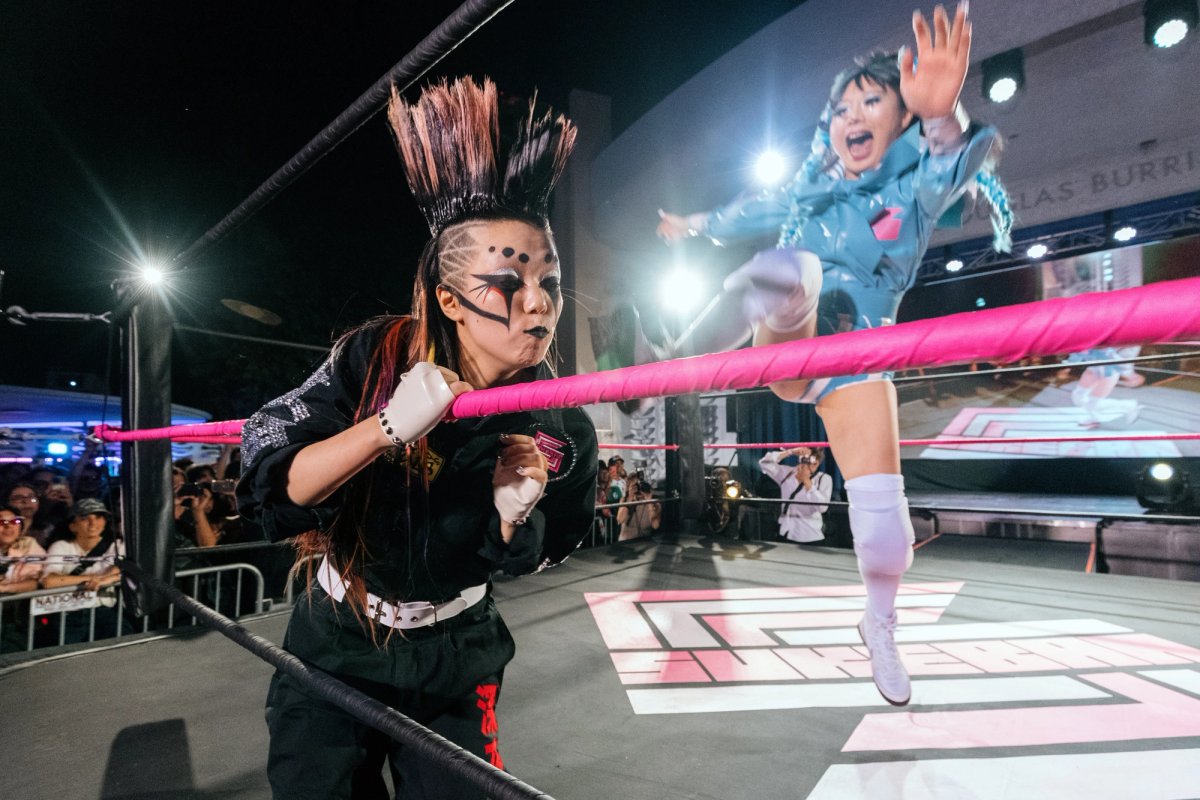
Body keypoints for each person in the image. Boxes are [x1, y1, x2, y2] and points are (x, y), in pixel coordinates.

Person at [237, 77, 596, 799]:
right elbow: (272, 476)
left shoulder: (561, 424)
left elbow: (549, 547)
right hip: (338, 638)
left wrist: (510, 517)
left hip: (457, 654)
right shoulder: (375, 356)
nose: (538, 304)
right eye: (508, 282)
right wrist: (385, 428)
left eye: (550, 284)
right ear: (449, 298)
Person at [655, 4, 1010, 706]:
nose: (853, 112)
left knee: (888, 537)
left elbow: (951, 165)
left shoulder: (913, 186)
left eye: (872, 100)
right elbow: (752, 209)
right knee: (794, 272)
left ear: (900, 119)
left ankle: (879, 622)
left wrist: (943, 117)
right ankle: (680, 354)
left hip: (857, 364)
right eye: (844, 104)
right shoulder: (810, 189)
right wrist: (693, 223)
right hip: (795, 342)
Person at [39, 498, 126, 644]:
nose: (93, 523)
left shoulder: (117, 546)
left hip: (103, 612)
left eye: (98, 517)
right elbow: (49, 581)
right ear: (73, 525)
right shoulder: (61, 546)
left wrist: (66, 580)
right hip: (68, 614)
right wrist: (95, 579)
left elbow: (117, 572)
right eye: (85, 518)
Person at [758, 447, 832, 543]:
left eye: (809, 460)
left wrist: (806, 481)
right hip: (786, 534)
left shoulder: (823, 478)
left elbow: (822, 508)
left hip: (811, 535)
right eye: (803, 459)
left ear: (817, 462)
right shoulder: (787, 473)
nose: (805, 463)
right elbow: (764, 464)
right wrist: (790, 452)